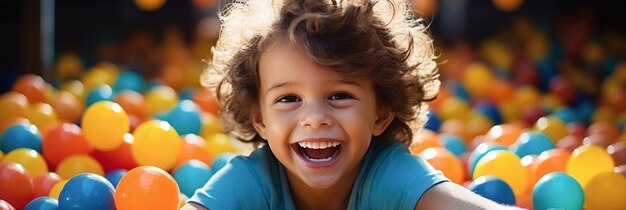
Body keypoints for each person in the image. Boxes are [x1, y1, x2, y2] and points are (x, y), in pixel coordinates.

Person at [182, 0, 524, 209]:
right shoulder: (254, 179)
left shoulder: (387, 173)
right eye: (289, 99)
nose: (315, 118)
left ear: (381, 113)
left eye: (339, 96)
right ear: (260, 119)